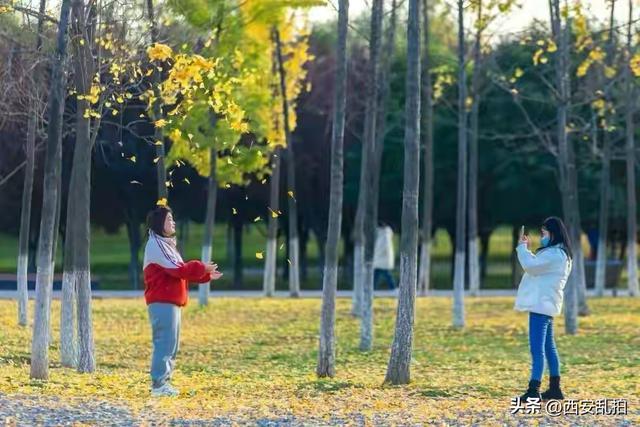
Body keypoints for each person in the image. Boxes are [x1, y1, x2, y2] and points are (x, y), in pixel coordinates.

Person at [143, 203, 222, 397]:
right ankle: (158, 385)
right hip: (162, 302)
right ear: (159, 222)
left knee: (172, 345)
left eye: (172, 219)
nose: (173, 222)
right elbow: (178, 270)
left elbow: (180, 272)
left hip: (171, 302)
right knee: (164, 343)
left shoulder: (165, 245)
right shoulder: (155, 245)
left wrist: (205, 276)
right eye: (169, 219)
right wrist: (201, 267)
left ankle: (164, 383)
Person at [514, 216, 572, 403]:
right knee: (549, 348)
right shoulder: (560, 254)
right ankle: (555, 388)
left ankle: (533, 390)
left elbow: (531, 267)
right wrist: (528, 250)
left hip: (541, 306)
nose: (542, 236)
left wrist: (523, 248)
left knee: (537, 350)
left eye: (544, 233)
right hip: (547, 305)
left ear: (553, 233)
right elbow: (537, 266)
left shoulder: (554, 255)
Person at [373, 223, 396, 290]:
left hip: (382, 258)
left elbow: (382, 247)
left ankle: (392, 287)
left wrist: (376, 254)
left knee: (384, 274)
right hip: (382, 258)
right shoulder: (385, 234)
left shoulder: (384, 235)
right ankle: (392, 287)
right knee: (381, 274)